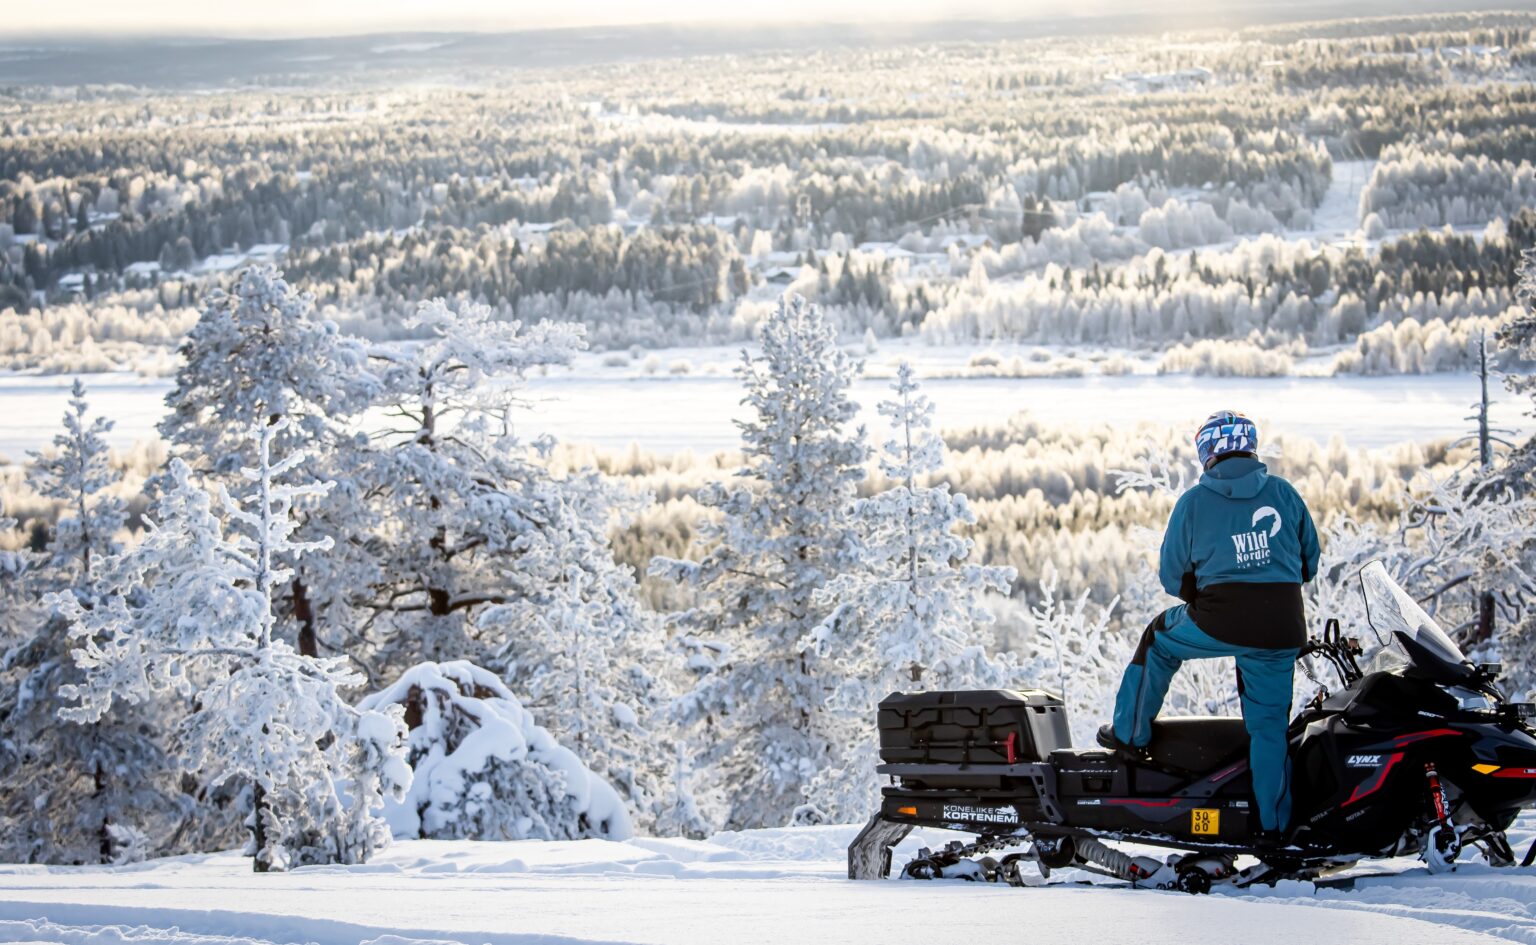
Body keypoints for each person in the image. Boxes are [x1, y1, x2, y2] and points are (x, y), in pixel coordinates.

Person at [1099, 410, 1320, 839]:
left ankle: (1129, 733)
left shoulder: (1194, 502)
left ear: (1207, 451)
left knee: (1159, 640)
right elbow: (1309, 561)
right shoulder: (1284, 493)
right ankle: (1275, 829)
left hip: (1218, 618)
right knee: (1269, 729)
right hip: (1281, 627)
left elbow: (1171, 576)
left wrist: (1205, 597)